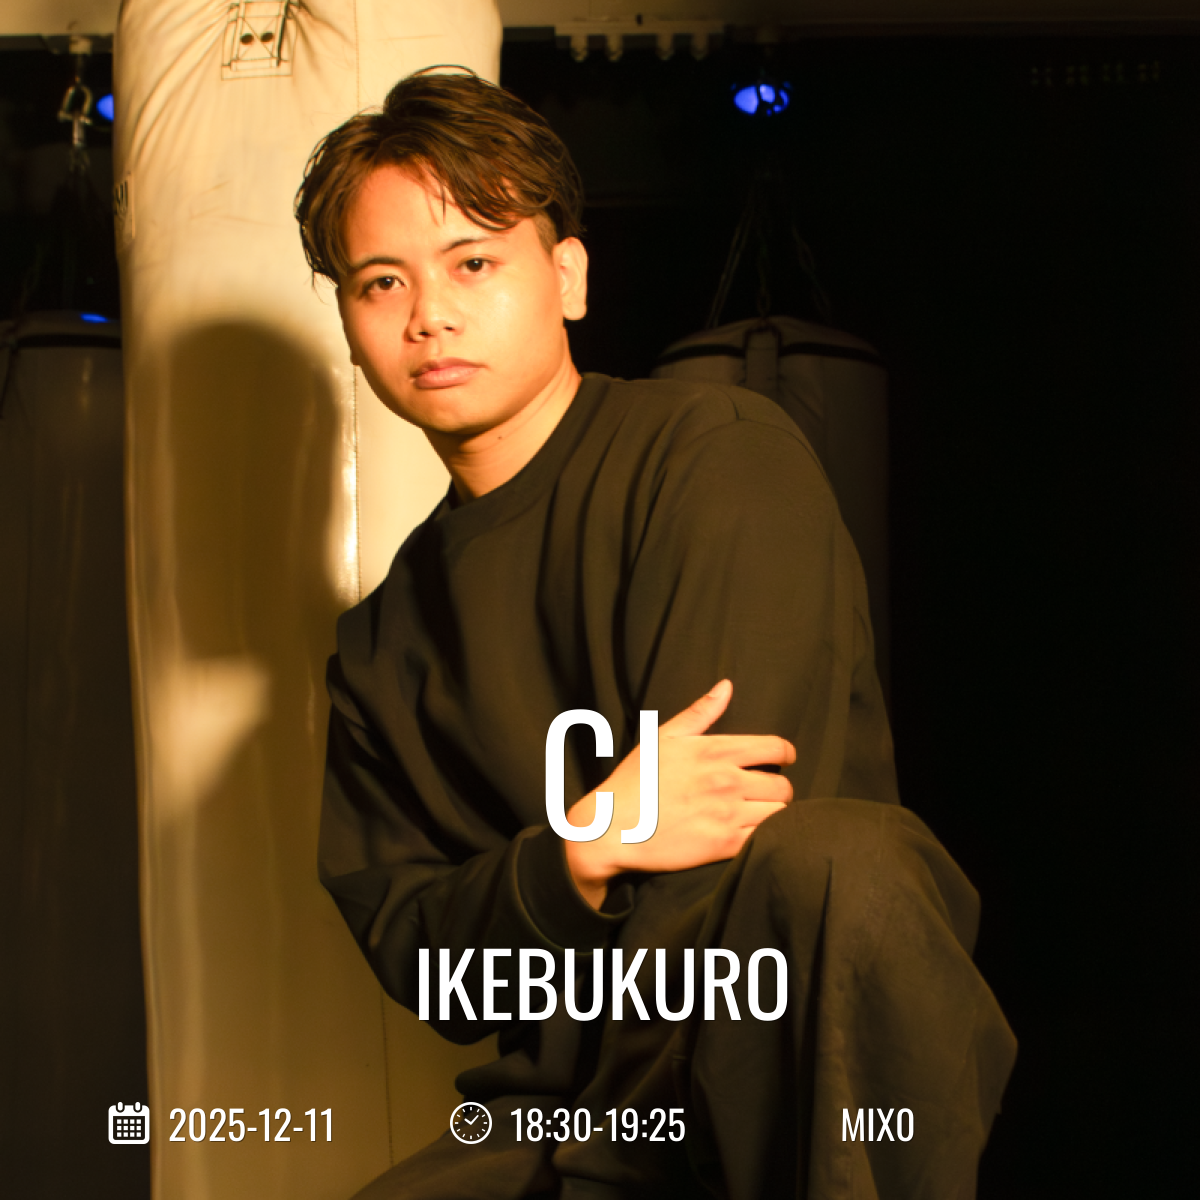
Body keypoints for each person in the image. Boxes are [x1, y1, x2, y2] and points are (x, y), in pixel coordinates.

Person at [296, 69, 1015, 1200]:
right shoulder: (379, 646)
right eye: (382, 281)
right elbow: (422, 959)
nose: (428, 314)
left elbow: (726, 842)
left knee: (841, 859)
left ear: (568, 277)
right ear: (347, 319)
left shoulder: (714, 453)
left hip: (771, 1063)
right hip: (553, 1113)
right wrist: (576, 852)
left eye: (472, 263)